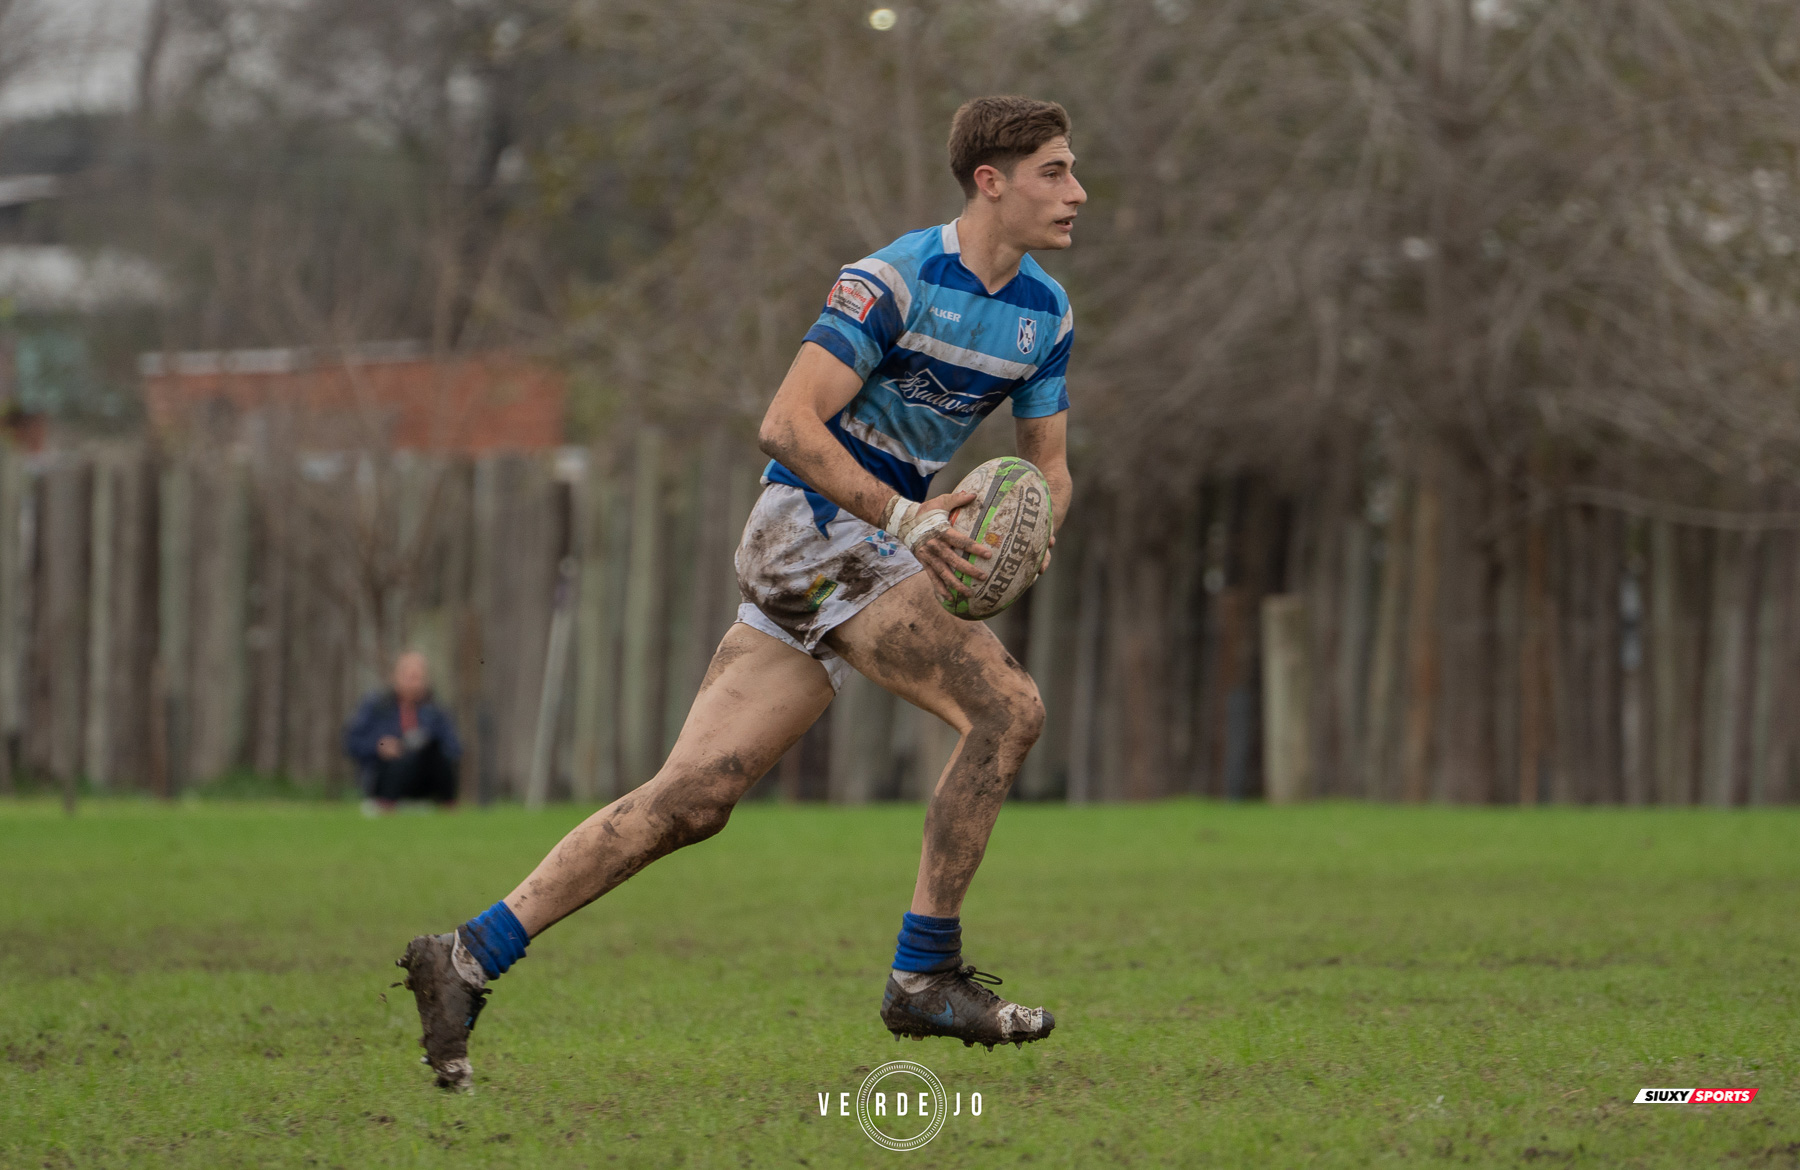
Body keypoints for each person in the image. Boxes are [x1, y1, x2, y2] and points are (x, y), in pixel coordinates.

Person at [398, 95, 1083, 1090]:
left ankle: (465, 957)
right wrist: (910, 520)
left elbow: (1048, 464)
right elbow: (786, 424)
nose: (1077, 192)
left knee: (695, 799)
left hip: (868, 548)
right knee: (1008, 710)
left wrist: (1037, 521)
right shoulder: (888, 281)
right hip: (808, 532)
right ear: (992, 181)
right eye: (1055, 171)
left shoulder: (1046, 313)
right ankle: (924, 974)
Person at [345, 651, 463, 810]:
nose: (413, 683)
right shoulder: (376, 706)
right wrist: (379, 746)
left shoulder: (436, 711)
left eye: (418, 678)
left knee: (434, 750)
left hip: (424, 779)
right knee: (399, 757)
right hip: (385, 776)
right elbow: (352, 742)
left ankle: (448, 806)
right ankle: (386, 804)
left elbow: (455, 747)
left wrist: (425, 746)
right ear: (396, 677)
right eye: (409, 677)